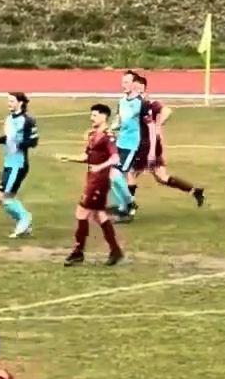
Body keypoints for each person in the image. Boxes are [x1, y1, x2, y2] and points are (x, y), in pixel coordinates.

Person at [58, 103, 125, 266]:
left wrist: (99, 167)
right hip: (92, 179)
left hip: (99, 182)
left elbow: (115, 158)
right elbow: (86, 157)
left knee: (82, 213)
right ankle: (115, 251)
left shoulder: (108, 136)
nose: (91, 118)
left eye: (94, 115)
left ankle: (78, 252)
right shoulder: (93, 135)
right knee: (98, 215)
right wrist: (69, 158)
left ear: (104, 116)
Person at [132, 73, 206, 209]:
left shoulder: (148, 103)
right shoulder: (134, 102)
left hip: (146, 145)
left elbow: (166, 111)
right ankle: (194, 191)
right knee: (161, 177)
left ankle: (127, 206)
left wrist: (158, 125)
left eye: (136, 86)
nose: (133, 89)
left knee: (129, 174)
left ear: (142, 87)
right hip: (147, 144)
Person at [0, 91, 39, 239]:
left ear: (20, 103)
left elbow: (33, 141)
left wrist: (18, 144)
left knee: (4, 197)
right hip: (9, 163)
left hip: (18, 165)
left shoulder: (28, 121)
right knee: (0, 197)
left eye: (11, 101)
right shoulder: (9, 119)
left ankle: (25, 218)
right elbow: (10, 137)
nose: (9, 104)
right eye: (8, 101)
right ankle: (24, 224)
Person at [108, 71, 144, 220]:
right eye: (123, 82)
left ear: (134, 84)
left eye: (127, 82)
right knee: (111, 175)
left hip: (131, 145)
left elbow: (131, 119)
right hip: (120, 143)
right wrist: (111, 129)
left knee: (116, 174)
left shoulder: (140, 103)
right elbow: (119, 120)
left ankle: (128, 204)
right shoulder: (121, 101)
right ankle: (124, 206)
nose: (124, 85)